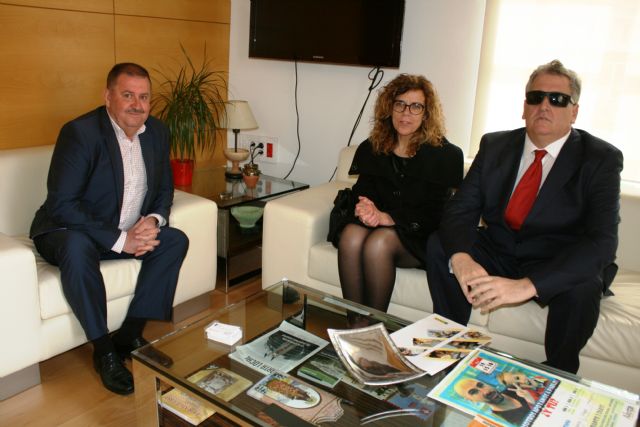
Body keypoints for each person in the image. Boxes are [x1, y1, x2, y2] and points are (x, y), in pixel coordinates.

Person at [426, 60, 623, 374]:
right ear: (524, 107)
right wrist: (462, 258)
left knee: (585, 284)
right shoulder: (495, 145)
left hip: (556, 256)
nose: (544, 105)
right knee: (441, 245)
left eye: (557, 99)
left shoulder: (600, 158)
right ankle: (450, 347)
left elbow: (602, 243)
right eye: (536, 97)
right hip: (502, 248)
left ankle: (558, 371)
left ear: (574, 112)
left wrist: (528, 286)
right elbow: (460, 210)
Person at [30, 63, 189, 395]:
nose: (137, 105)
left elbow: (164, 189)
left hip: (125, 230)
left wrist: (152, 221)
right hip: (66, 231)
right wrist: (121, 240)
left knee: (174, 240)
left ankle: (129, 335)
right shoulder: (81, 133)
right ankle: (104, 352)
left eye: (144, 97)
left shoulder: (157, 132)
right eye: (127, 95)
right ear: (108, 97)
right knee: (77, 247)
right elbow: (62, 204)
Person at [336, 74, 463, 317]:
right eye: (400, 104)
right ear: (389, 108)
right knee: (351, 235)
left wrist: (388, 218)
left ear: (426, 113)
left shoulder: (446, 155)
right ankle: (355, 325)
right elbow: (363, 191)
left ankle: (374, 326)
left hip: (419, 235)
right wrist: (366, 208)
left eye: (416, 106)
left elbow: (436, 214)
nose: (406, 113)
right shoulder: (373, 146)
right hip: (379, 224)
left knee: (378, 243)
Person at [454, 378, 531, 426]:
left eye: (481, 385)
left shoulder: (515, 388)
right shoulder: (501, 421)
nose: (486, 391)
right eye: (474, 392)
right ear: (471, 400)